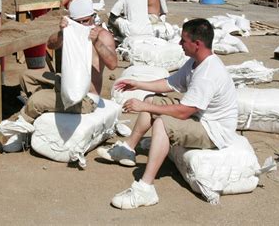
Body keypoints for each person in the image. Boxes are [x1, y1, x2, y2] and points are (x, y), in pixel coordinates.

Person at [97, 18, 238, 209]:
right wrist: (138, 84)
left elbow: (183, 112)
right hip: (200, 117)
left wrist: (144, 107)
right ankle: (128, 149)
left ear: (197, 44)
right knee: (151, 99)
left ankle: (145, 188)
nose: (180, 44)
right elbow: (169, 83)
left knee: (162, 122)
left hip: (213, 130)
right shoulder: (195, 63)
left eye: (183, 40)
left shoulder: (208, 74)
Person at [19, 0, 117, 123]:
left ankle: (25, 121)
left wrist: (97, 43)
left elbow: (113, 64)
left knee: (36, 101)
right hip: (66, 84)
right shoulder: (71, 31)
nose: (81, 25)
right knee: (26, 76)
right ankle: (47, 101)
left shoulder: (102, 36)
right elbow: (50, 45)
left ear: (93, 17)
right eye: (77, 22)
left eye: (85, 21)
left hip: (85, 98)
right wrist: (61, 33)